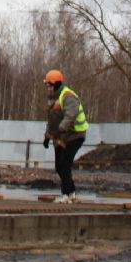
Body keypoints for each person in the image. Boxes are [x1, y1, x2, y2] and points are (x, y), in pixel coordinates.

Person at [43, 69, 88, 202]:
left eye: (50, 85)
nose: (48, 88)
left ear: (56, 85)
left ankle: (67, 194)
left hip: (75, 135)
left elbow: (71, 115)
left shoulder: (68, 96)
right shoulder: (52, 99)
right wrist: (47, 136)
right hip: (61, 137)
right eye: (47, 86)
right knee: (59, 166)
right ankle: (71, 192)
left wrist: (61, 128)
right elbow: (52, 121)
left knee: (64, 164)